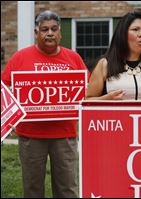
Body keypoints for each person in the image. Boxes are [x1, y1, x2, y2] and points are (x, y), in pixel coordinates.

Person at [1, 10, 89, 197]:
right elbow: (3, 88)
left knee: (67, 190)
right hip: (31, 135)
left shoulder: (73, 58)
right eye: (44, 29)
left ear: (60, 33)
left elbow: (88, 89)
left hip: (65, 135)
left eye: (54, 29)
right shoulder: (20, 57)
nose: (49, 33)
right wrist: (10, 118)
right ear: (36, 33)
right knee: (33, 190)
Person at [86, 9, 141, 100]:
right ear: (123, 34)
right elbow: (88, 100)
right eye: (135, 29)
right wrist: (107, 99)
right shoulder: (105, 64)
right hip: (114, 114)